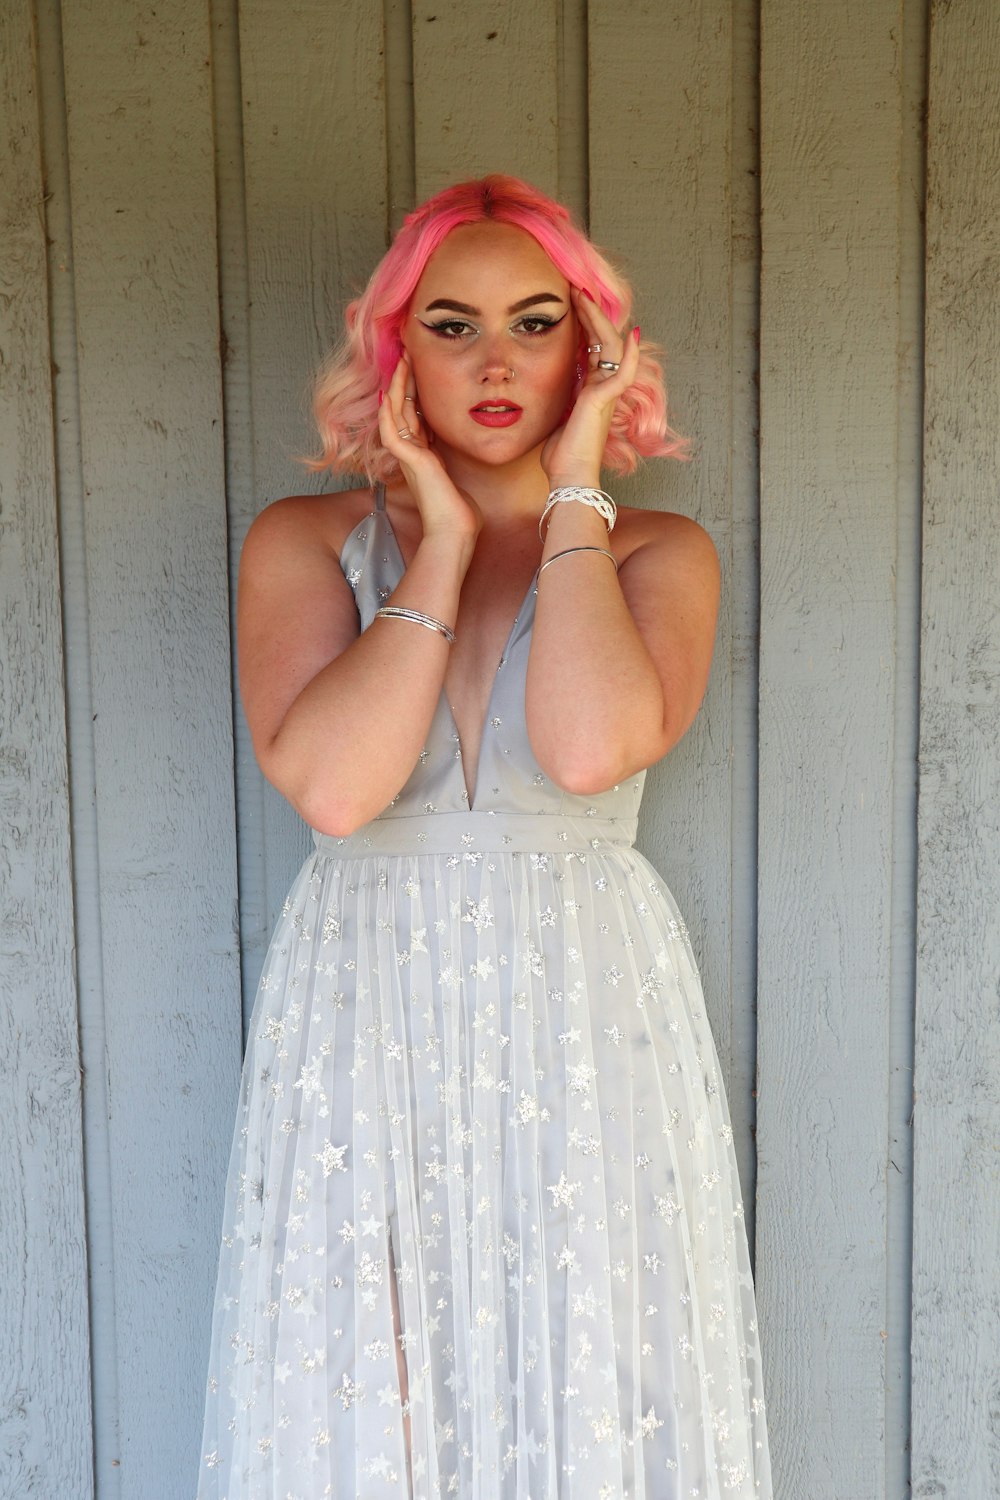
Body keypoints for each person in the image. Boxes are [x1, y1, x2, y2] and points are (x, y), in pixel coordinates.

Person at [197, 174, 771, 1499]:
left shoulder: (658, 556)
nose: (497, 360)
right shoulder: (304, 543)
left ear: (592, 352)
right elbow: (338, 793)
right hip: (368, 1004)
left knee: (590, 1374)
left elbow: (582, 751)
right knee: (366, 1376)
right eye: (451, 326)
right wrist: (441, 543)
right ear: (398, 353)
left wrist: (572, 490)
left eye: (535, 322)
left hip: (582, 1007)